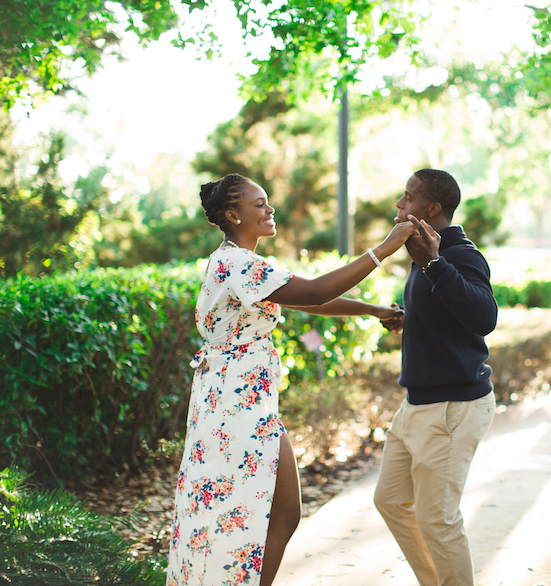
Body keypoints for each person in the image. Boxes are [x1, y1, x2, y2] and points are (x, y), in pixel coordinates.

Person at [166, 173, 416, 586]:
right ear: (233, 214)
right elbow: (316, 292)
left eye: (267, 202)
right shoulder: (237, 263)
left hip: (244, 400)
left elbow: (311, 299)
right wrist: (385, 250)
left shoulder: (242, 262)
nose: (269, 209)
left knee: (274, 513)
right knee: (254, 515)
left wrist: (372, 310)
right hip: (235, 404)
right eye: (259, 203)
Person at [373, 168, 498, 586]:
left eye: (407, 197)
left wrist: (435, 264)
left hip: (453, 407)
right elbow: (450, 313)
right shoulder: (424, 252)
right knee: (391, 500)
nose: (399, 204)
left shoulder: (458, 254)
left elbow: (484, 316)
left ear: (432, 208)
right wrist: (410, 318)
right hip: (417, 405)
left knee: (437, 520)